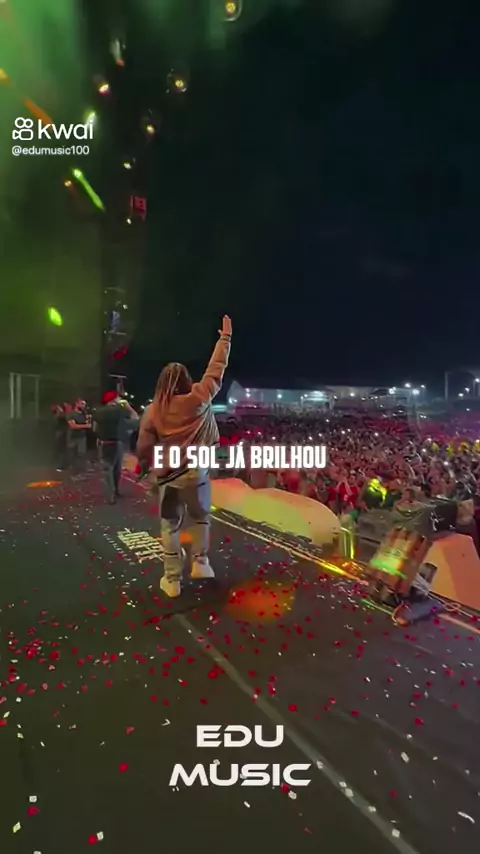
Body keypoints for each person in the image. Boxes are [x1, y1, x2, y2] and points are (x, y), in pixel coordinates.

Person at [136, 315, 232, 598]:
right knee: (200, 517)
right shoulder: (200, 397)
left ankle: (172, 580)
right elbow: (216, 369)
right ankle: (200, 563)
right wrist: (225, 338)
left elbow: (144, 447)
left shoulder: (154, 410)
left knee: (170, 526)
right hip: (198, 473)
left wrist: (147, 466)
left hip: (170, 477)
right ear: (187, 381)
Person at [94, 392, 139, 503]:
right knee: (117, 469)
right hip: (118, 442)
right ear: (114, 399)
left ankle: (110, 494)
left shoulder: (98, 411)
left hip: (104, 442)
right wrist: (128, 407)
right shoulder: (120, 410)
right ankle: (115, 492)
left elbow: (94, 428)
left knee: (107, 468)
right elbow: (135, 420)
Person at [67, 400, 91, 472]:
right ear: (77, 404)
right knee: (73, 455)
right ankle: (74, 471)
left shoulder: (83, 414)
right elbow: (73, 426)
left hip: (82, 437)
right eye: (82, 404)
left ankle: (80, 471)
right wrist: (86, 426)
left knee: (81, 455)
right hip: (74, 437)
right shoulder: (71, 414)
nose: (84, 406)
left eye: (84, 404)